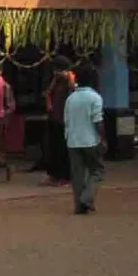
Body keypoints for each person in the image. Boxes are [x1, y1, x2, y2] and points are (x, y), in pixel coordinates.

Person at [64, 64, 107, 215]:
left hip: (72, 141)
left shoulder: (70, 98)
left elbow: (67, 121)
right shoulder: (95, 97)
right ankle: (87, 198)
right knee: (97, 170)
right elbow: (98, 121)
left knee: (77, 176)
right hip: (90, 141)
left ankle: (79, 206)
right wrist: (103, 139)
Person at [43, 56, 76, 186]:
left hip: (65, 121)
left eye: (56, 69)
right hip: (54, 118)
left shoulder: (70, 81)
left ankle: (66, 177)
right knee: (53, 148)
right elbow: (48, 93)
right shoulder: (56, 81)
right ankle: (54, 175)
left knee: (64, 150)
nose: (54, 72)